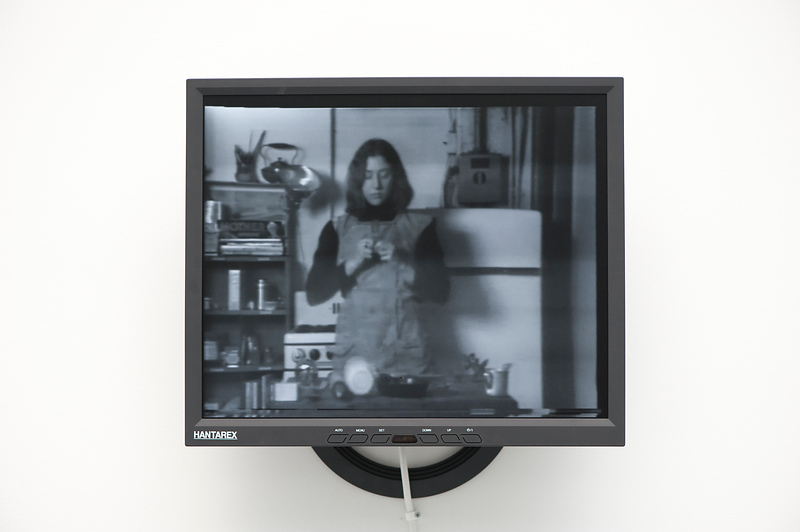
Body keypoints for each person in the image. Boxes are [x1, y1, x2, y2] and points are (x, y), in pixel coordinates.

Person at [306, 138, 449, 385]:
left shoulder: (421, 227)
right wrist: (351, 264)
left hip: (408, 359)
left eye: (384, 175)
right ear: (358, 179)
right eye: (368, 175)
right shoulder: (336, 229)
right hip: (354, 358)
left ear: (396, 177)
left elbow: (441, 293)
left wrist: (401, 262)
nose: (377, 185)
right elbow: (314, 294)